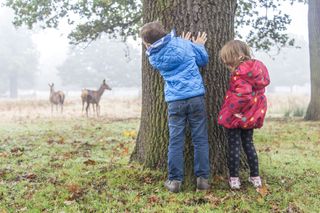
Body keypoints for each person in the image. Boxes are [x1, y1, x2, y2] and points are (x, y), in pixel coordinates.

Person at [140, 21, 210, 193]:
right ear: (164, 33)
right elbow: (203, 60)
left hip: (175, 102)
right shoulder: (183, 43)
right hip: (195, 98)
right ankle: (202, 180)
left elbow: (160, 49)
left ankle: (174, 181)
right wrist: (197, 45)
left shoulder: (153, 58)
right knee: (200, 139)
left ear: (148, 43)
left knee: (175, 141)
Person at [218, 40, 270, 189]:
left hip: (238, 116)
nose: (228, 67)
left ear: (238, 57)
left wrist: (232, 112)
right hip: (252, 114)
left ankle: (234, 179)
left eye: (229, 63)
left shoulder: (240, 73)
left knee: (234, 146)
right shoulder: (257, 69)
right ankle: (255, 177)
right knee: (248, 144)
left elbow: (243, 95)